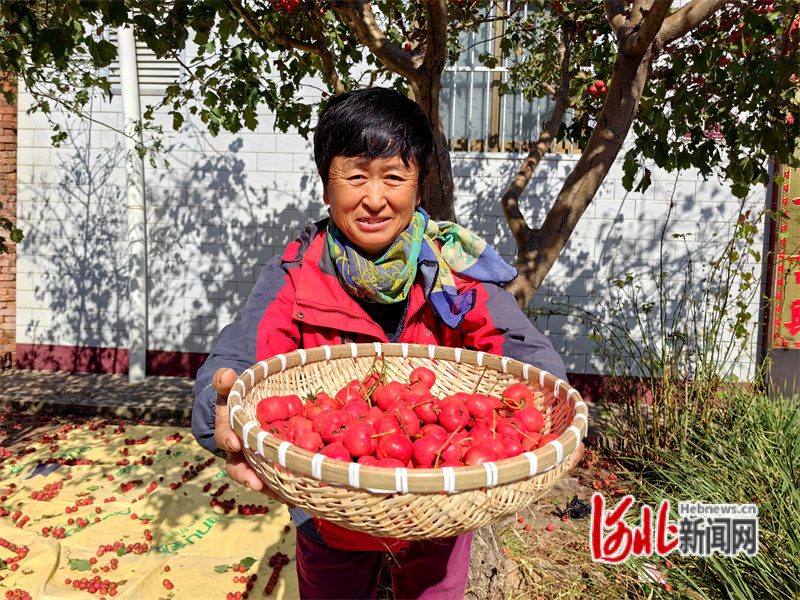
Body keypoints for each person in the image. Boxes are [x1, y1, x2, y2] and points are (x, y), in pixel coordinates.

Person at [192, 87, 571, 600]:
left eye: (394, 176)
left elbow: (518, 351)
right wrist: (220, 411)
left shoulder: (451, 270)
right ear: (327, 187)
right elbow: (243, 355)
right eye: (355, 176)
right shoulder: (297, 272)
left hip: (438, 508)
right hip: (328, 515)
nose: (374, 198)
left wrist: (554, 410)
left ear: (418, 187)